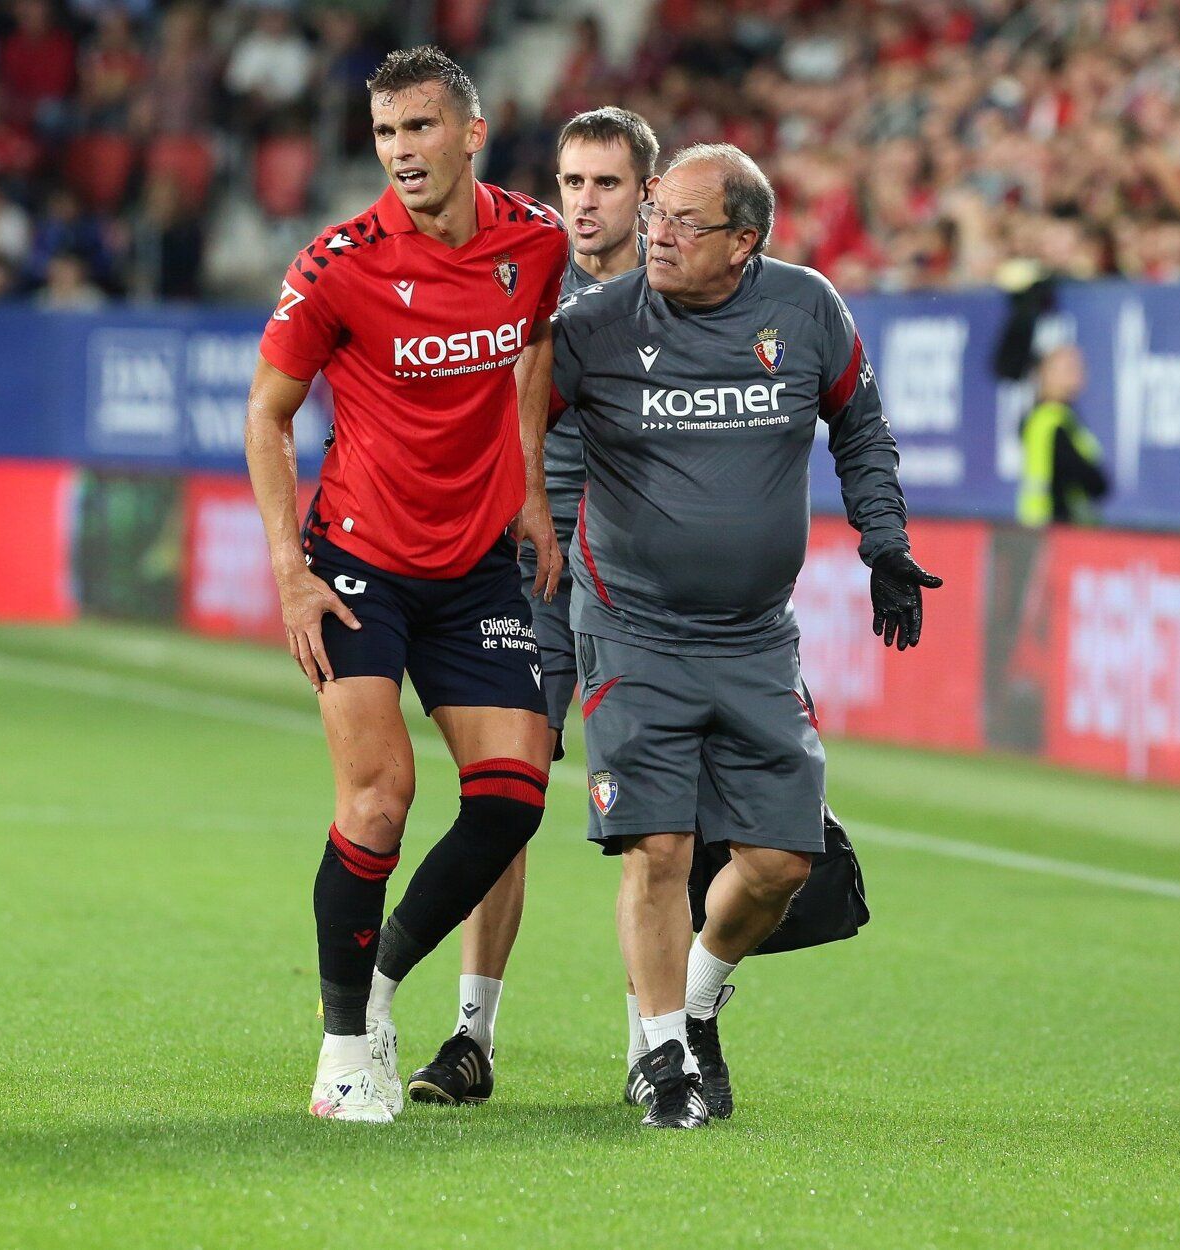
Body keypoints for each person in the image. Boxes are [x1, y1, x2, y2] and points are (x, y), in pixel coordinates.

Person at [551, 144, 939, 1128]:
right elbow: (496, 418)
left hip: (754, 638)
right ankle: (664, 1059)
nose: (656, 233)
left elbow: (858, 425)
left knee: (776, 861)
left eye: (683, 221)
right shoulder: (591, 325)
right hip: (628, 625)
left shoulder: (805, 309)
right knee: (659, 847)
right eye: (654, 215)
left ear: (742, 242)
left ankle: (690, 999)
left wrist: (884, 542)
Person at [244, 46, 569, 1124]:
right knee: (380, 797)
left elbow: (530, 351)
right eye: (385, 135)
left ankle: (374, 987)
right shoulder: (339, 261)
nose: (401, 153)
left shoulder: (533, 242)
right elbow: (267, 413)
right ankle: (343, 1050)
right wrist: (290, 573)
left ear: (470, 133)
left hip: (473, 565)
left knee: (514, 798)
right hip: (356, 563)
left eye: (419, 129)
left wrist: (523, 477)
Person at [403, 106, 657, 1108]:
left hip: (637, 585)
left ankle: (656, 1042)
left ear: (645, 192)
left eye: (606, 184)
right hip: (529, 573)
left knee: (654, 816)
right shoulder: (518, 281)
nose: (585, 204)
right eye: (571, 184)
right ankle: (470, 1037)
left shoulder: (672, 299)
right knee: (504, 797)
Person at [1016, 344, 1109, 527]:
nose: (1078, 374)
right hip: (1053, 528)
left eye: (1080, 367)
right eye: (1068, 368)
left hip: (1048, 528)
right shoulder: (1050, 422)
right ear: (1045, 373)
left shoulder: (1063, 417)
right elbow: (1091, 481)